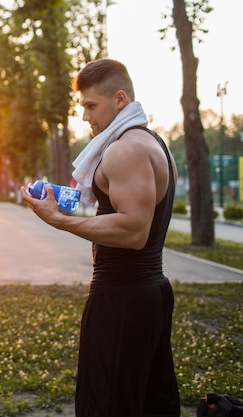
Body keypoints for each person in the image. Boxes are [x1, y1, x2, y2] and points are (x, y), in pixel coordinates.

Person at [21, 59, 180, 417]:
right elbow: (125, 213)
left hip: (122, 296)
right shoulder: (153, 142)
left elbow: (132, 230)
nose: (84, 116)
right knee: (149, 404)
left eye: (91, 106)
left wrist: (59, 221)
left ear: (120, 99)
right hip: (147, 291)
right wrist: (61, 204)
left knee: (105, 405)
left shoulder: (126, 149)